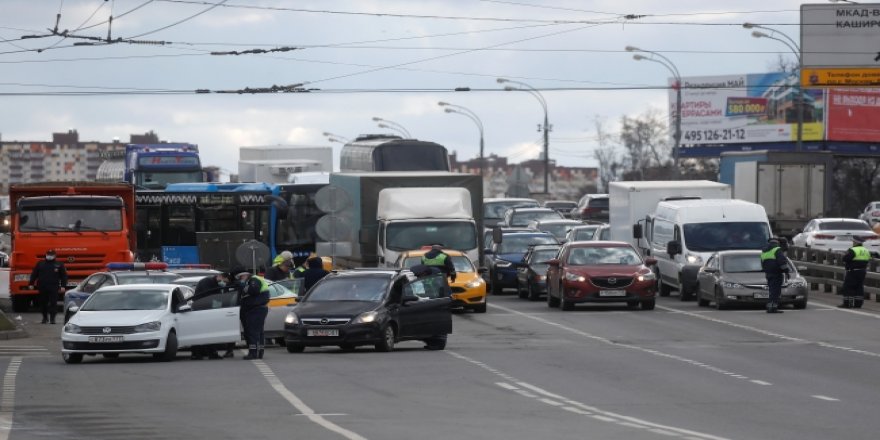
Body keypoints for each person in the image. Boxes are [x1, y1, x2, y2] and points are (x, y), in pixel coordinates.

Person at [231, 267, 271, 360]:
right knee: (258, 332)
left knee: (252, 332)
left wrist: (242, 285)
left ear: (245, 275)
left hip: (256, 309)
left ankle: (253, 353)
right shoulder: (253, 280)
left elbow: (253, 291)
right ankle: (259, 352)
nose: (240, 279)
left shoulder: (254, 280)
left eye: (241, 277)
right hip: (256, 309)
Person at [191, 272, 233, 360]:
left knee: (205, 332)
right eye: (224, 281)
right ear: (221, 276)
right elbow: (211, 297)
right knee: (205, 332)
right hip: (201, 310)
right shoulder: (208, 282)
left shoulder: (213, 283)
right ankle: (203, 353)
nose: (224, 283)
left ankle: (202, 353)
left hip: (205, 309)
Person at [29, 249, 67, 324]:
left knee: (53, 303)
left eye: (51, 255)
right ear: (46, 255)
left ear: (54, 256)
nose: (49, 256)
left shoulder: (59, 264)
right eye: (48, 254)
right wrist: (31, 283)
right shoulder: (40, 263)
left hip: (54, 287)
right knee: (43, 303)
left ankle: (52, 319)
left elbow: (64, 276)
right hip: (42, 286)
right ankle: (45, 317)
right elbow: (34, 274)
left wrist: (63, 286)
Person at [840, 236, 870, 309]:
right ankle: (858, 304)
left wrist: (844, 256)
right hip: (862, 271)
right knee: (859, 287)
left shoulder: (853, 250)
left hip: (853, 271)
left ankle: (847, 304)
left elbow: (845, 259)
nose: (853, 243)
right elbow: (868, 259)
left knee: (848, 287)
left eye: (853, 242)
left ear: (856, 242)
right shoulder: (866, 250)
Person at [760, 238, 789, 314]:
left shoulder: (764, 251)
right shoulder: (777, 249)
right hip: (776, 273)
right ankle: (773, 307)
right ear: (777, 243)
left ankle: (770, 307)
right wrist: (786, 271)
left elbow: (762, 264)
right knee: (776, 291)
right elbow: (782, 262)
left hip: (768, 273)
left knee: (772, 290)